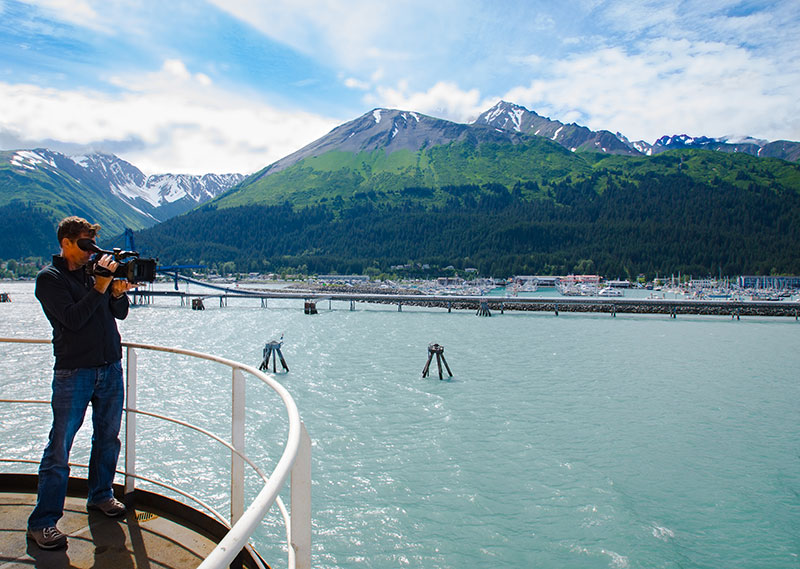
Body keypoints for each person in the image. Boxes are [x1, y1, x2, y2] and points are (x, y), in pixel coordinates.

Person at [27, 216, 136, 550]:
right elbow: (73, 320)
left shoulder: (95, 274)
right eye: (86, 245)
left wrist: (116, 293)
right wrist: (100, 287)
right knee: (59, 448)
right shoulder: (49, 279)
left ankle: (100, 494)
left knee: (108, 438)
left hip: (109, 367)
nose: (91, 252)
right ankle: (43, 522)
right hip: (74, 371)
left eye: (93, 244)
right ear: (66, 242)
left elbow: (119, 314)